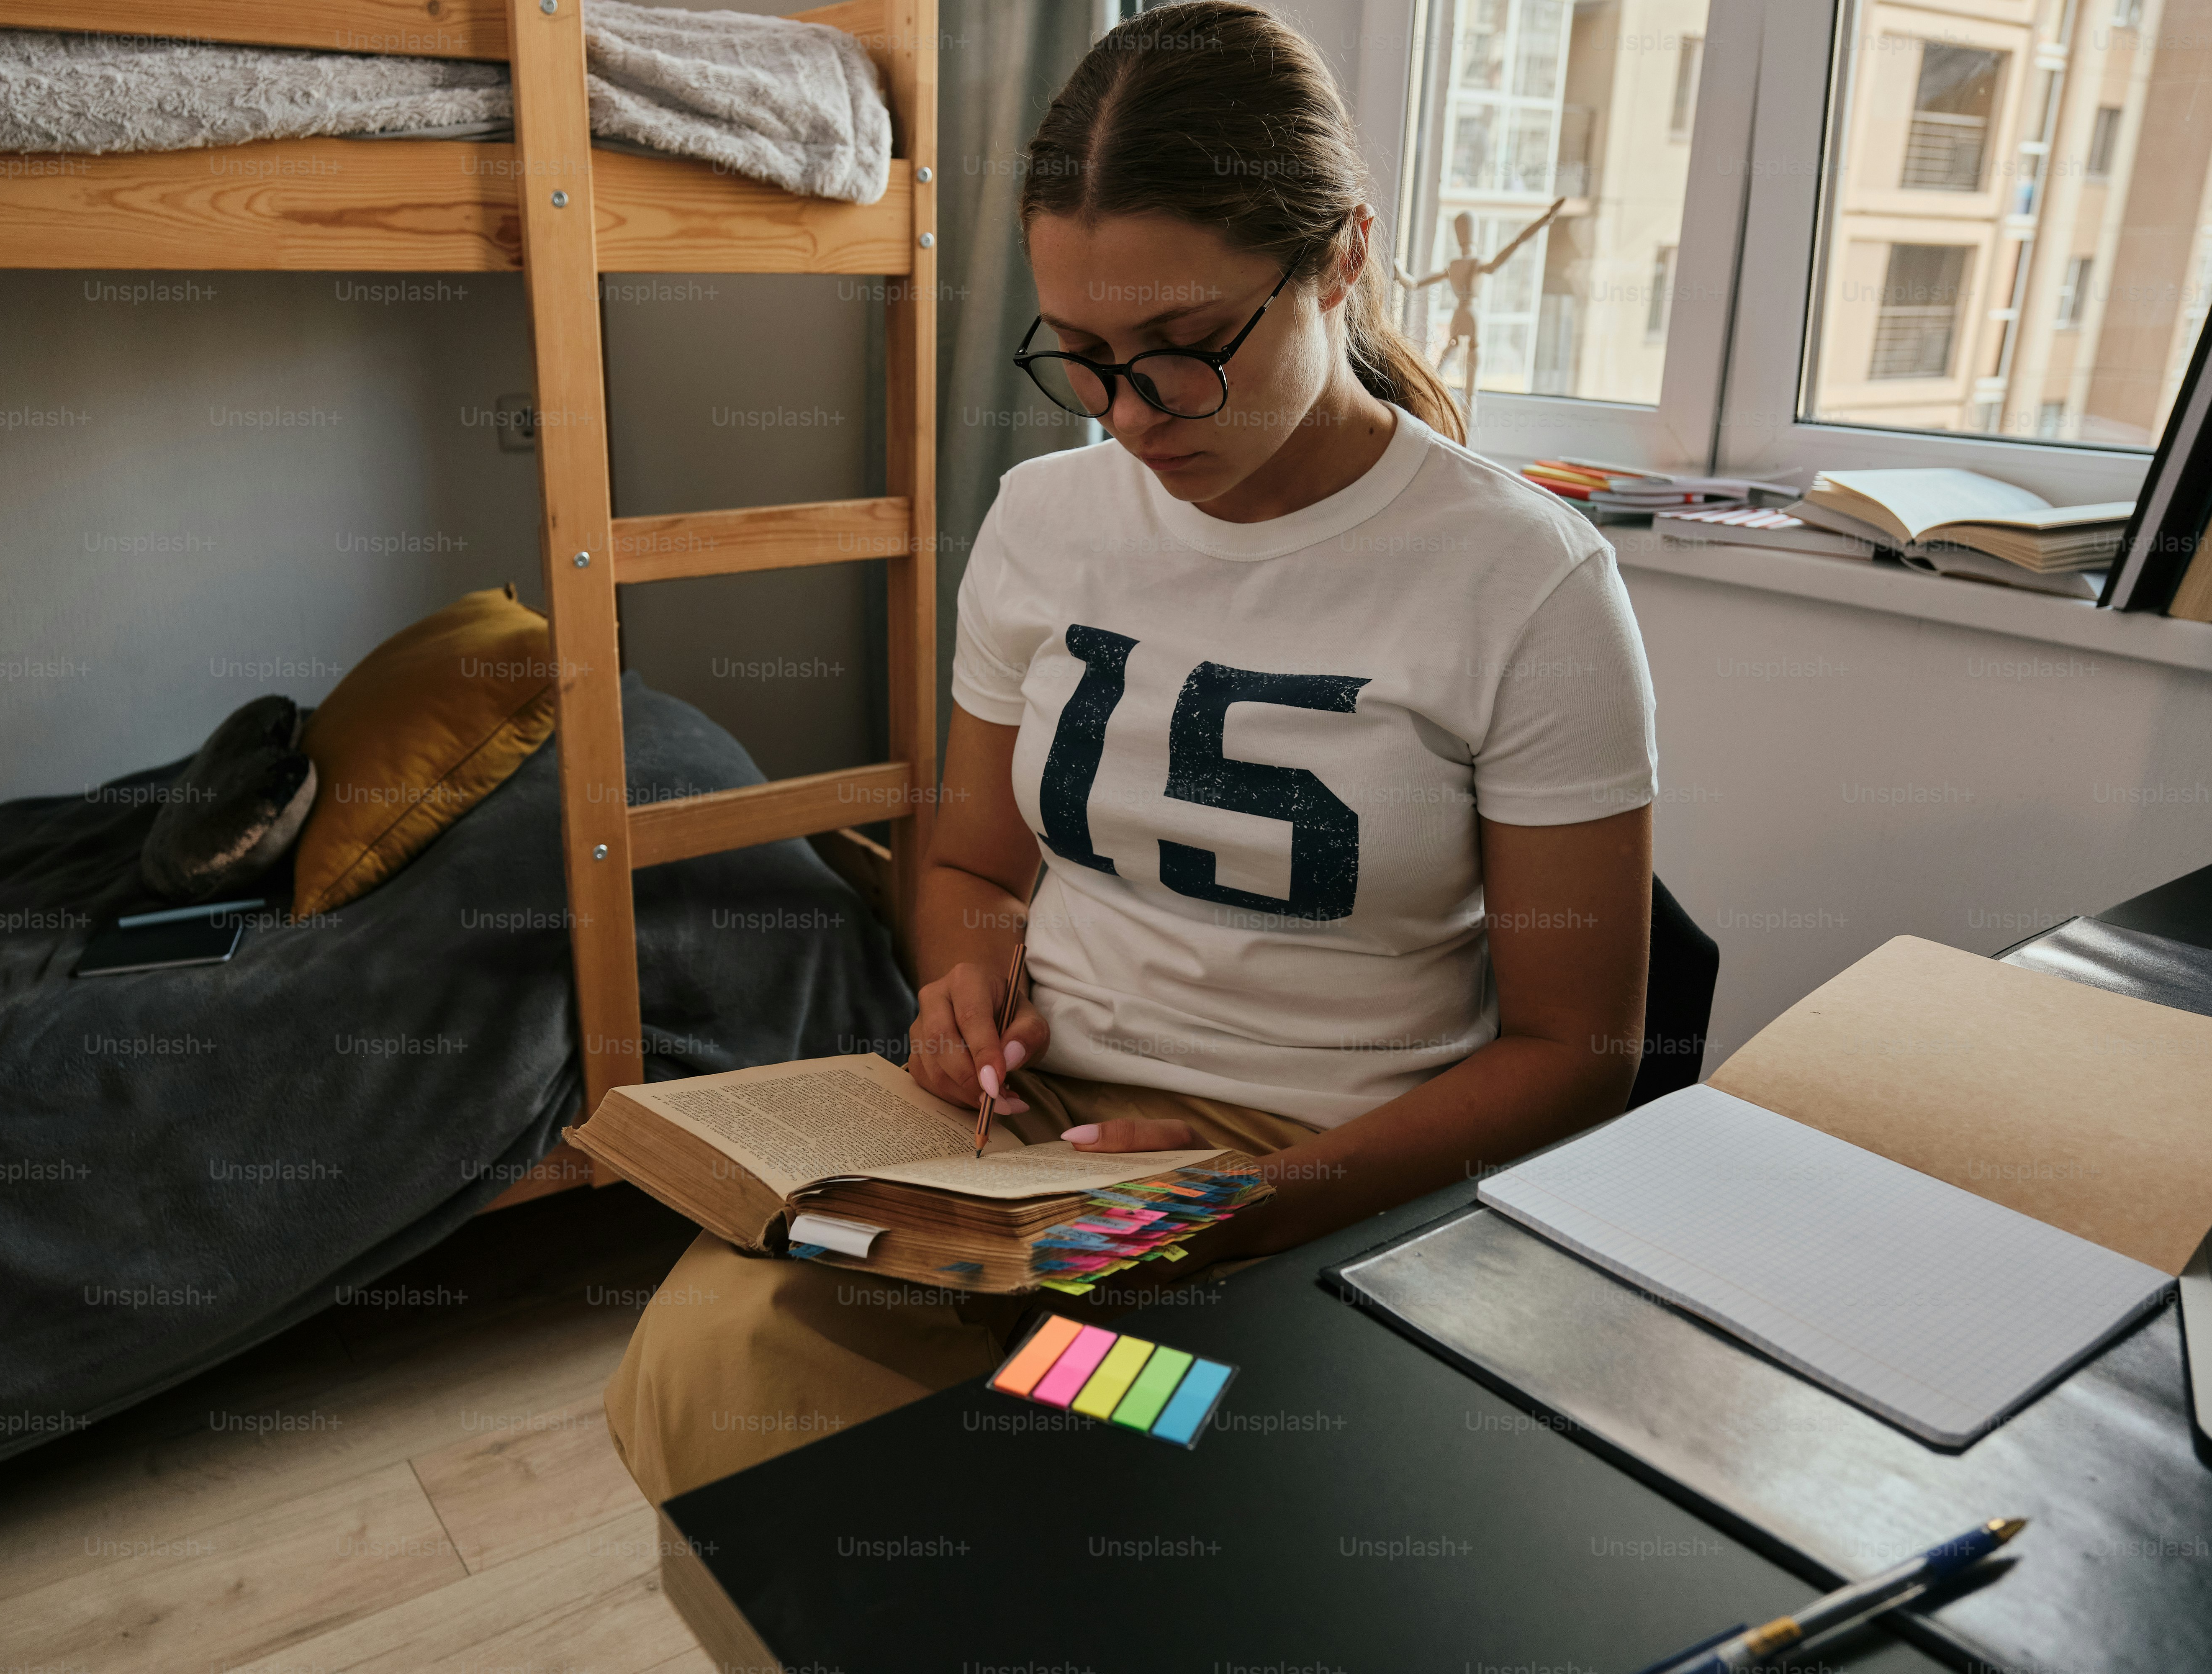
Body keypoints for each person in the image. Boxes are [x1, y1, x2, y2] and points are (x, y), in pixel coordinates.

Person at [606, 0, 1655, 1505]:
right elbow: (970, 859)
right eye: (1085, 358)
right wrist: (964, 983)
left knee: (1134, 1437)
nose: (1132, 416)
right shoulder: (1046, 521)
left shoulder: (1523, 581)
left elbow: (1582, 1053)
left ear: (1340, 257)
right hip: (1033, 1142)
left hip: (1322, 1168)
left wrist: (1250, 1204)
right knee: (724, 1363)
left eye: (1183, 350)